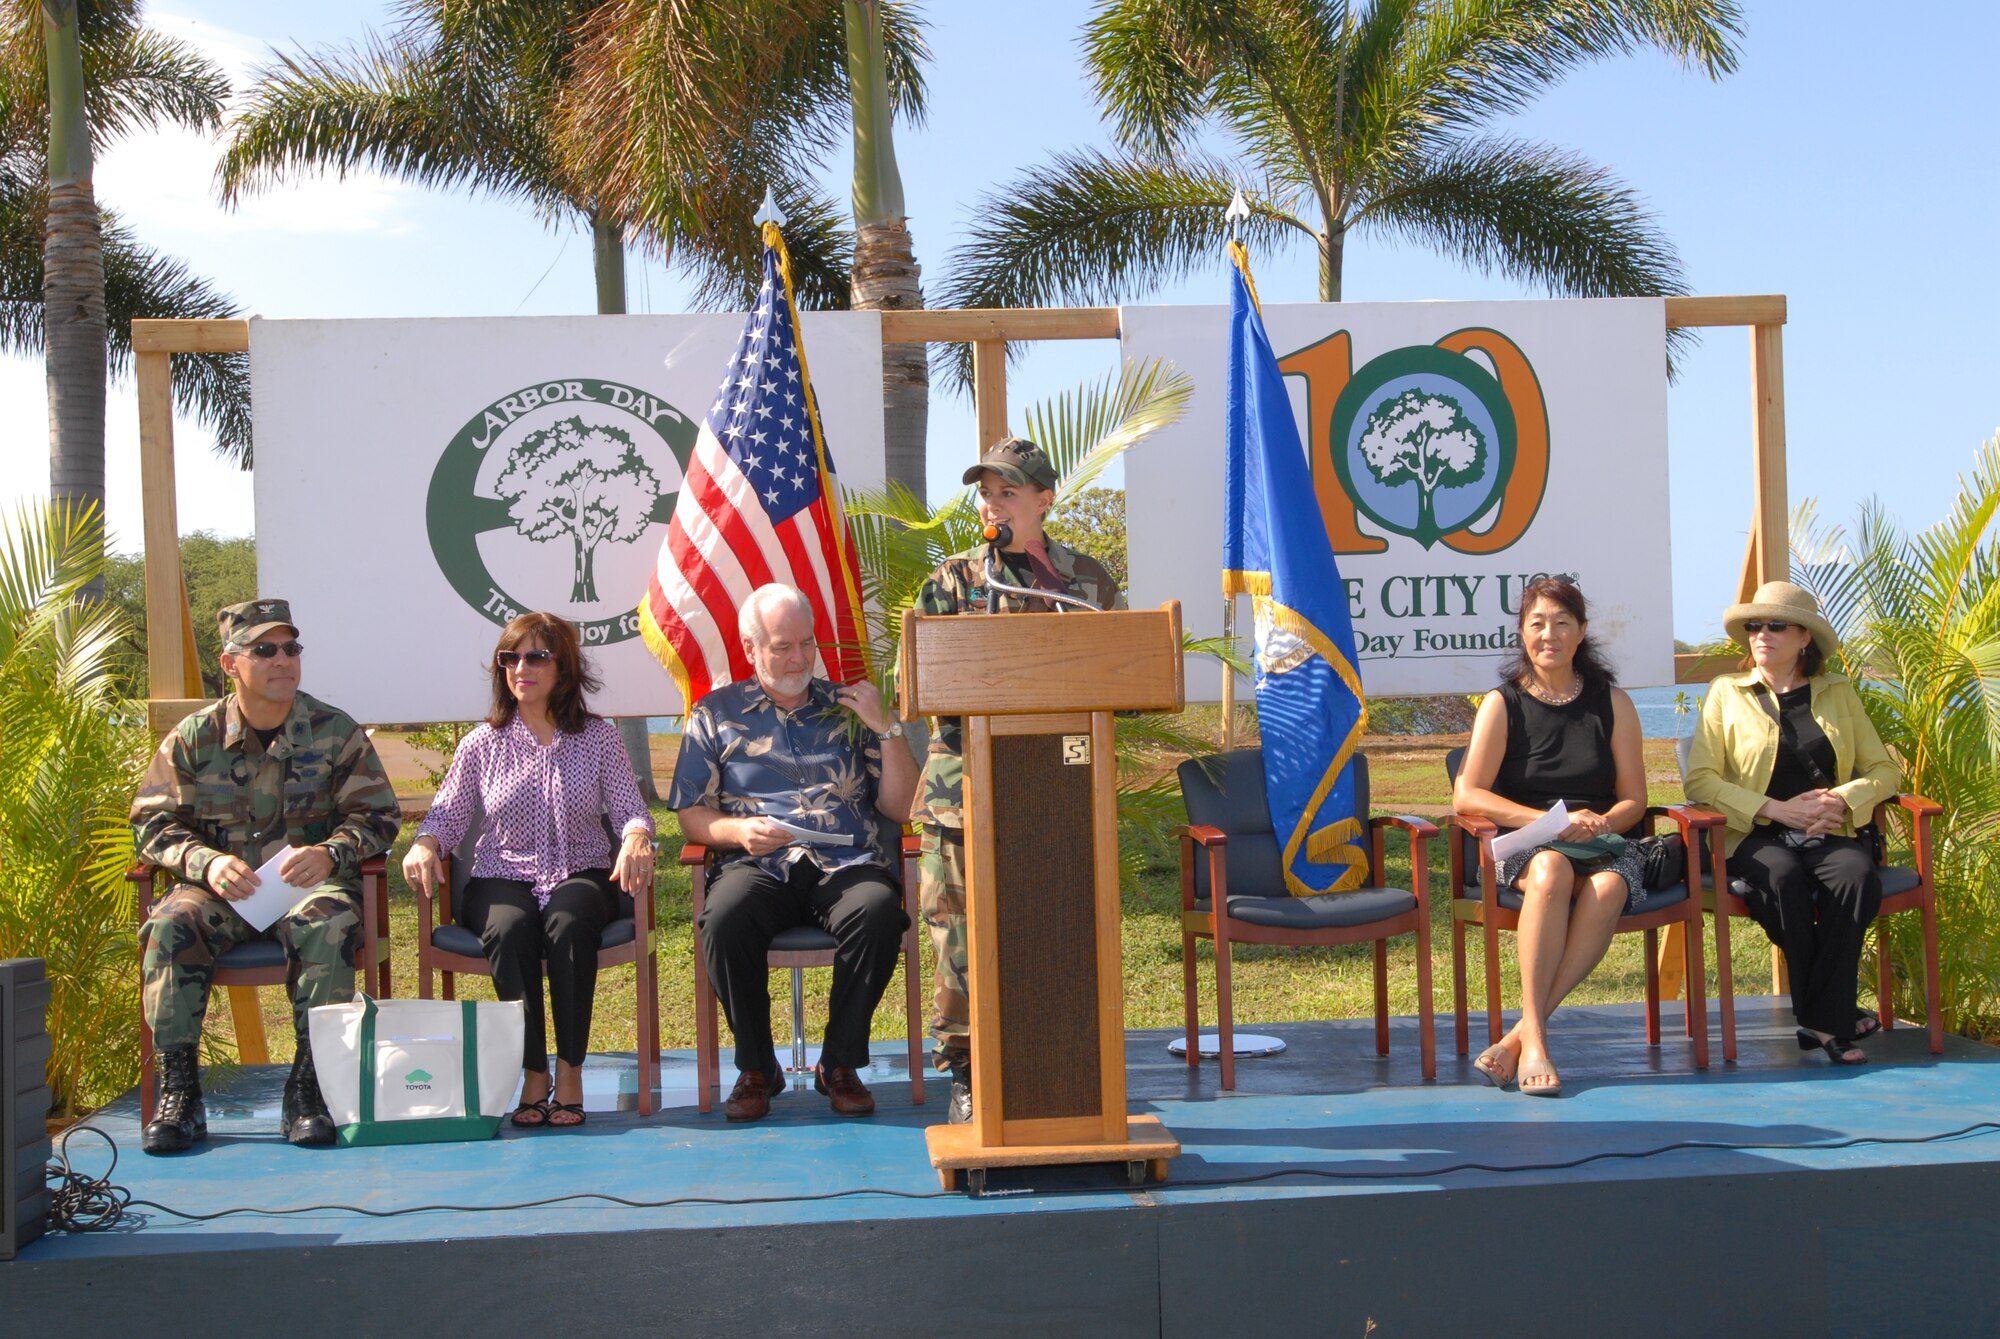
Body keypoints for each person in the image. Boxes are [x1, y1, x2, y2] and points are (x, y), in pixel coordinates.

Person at [134, 599, 403, 1153]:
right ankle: (181, 1093)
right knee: (169, 926)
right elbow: (152, 822)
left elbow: (378, 817)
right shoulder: (193, 737)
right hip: (221, 892)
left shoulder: (334, 731)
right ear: (231, 663)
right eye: (266, 650)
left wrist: (332, 852)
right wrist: (205, 862)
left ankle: (309, 1089)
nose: (284, 660)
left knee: (328, 924)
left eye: (291, 648)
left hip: (308, 887)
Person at [909, 437, 1124, 1123]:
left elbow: (1118, 671)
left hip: (1059, 795)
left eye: (1007, 491)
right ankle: (969, 1074)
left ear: (1043, 499)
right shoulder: (952, 581)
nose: (992, 503)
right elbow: (918, 679)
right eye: (985, 492)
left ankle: (1062, 1067)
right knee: (962, 943)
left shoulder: (1088, 582)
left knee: (1058, 930)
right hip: (964, 794)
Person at [669, 583, 918, 1121]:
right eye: (782, 646)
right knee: (725, 919)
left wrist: (888, 728)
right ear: (750, 646)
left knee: (877, 913)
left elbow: (901, 807)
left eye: (807, 643)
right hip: (757, 863)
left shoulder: (850, 708)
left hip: (844, 863)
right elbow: (691, 810)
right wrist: (737, 833)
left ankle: (839, 1064)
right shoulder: (715, 714)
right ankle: (758, 1069)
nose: (799, 658)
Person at [403, 612, 656, 1128]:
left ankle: (570, 1070)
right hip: (502, 873)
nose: (521, 667)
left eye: (536, 656)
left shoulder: (599, 738)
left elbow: (632, 808)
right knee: (510, 926)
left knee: (567, 922)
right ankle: (533, 1071)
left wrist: (635, 835)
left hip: (579, 871)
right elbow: (447, 813)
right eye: (511, 658)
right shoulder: (482, 743)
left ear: (563, 668)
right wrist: (425, 843)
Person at [1684, 581, 1901, 1065]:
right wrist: (1774, 809)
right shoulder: (1726, 693)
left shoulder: (1837, 693)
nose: (1761, 634)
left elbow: (1885, 771)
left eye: (1775, 625)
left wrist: (1843, 800)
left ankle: (1819, 1018)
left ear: (1804, 637)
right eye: (1754, 626)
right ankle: (1832, 1019)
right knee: (1781, 877)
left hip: (1828, 831)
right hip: (1755, 834)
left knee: (1856, 874)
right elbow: (1700, 780)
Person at [1451, 578, 1647, 1097]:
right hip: (1527, 842)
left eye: (1562, 623)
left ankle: (1520, 1035)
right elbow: (1467, 796)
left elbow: (1634, 800)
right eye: (1537, 623)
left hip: (1598, 843)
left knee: (1610, 887)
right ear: (1522, 631)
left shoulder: (1614, 703)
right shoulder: (1502, 703)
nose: (1549, 634)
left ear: (1581, 632)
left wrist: (1602, 822)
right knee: (1551, 867)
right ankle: (1535, 1040)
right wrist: (1547, 824)